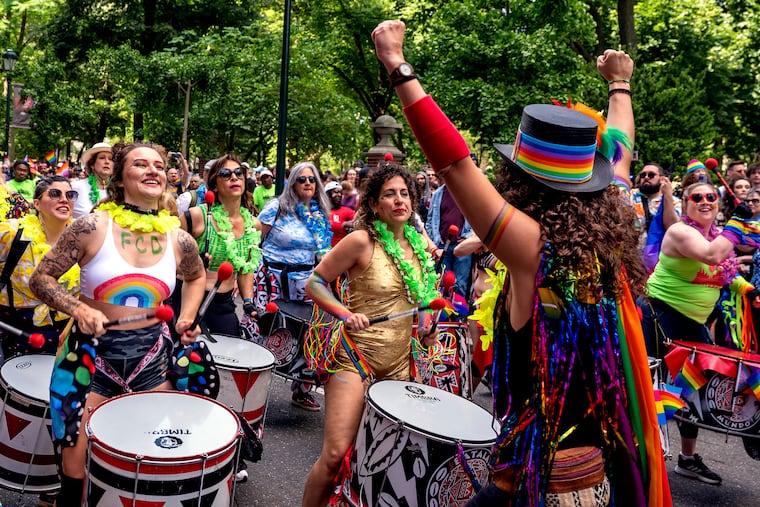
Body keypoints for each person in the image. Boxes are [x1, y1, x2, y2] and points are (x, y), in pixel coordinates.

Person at [372, 19, 670, 506]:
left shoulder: (532, 247)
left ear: (520, 180)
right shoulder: (608, 235)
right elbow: (619, 149)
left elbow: (453, 164)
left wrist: (398, 66)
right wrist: (620, 84)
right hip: (596, 473)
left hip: (536, 479)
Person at [28, 142, 206, 507]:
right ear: (120, 177)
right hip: (90, 359)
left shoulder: (178, 238)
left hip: (151, 362)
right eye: (141, 164)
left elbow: (196, 276)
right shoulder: (92, 226)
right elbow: (41, 278)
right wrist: (77, 308)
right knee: (74, 467)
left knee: (148, 454)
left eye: (158, 165)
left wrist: (186, 317)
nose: (153, 170)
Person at [301, 163, 439, 507]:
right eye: (389, 194)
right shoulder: (361, 241)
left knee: (384, 461)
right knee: (335, 454)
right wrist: (346, 313)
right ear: (375, 204)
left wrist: (428, 324)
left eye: (404, 194)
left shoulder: (420, 246)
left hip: (399, 366)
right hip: (355, 361)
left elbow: (423, 301)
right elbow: (315, 282)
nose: (398, 201)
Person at [640, 181, 760, 486]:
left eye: (711, 197)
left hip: (693, 323)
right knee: (648, 387)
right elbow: (711, 257)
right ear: (686, 202)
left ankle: (687, 460)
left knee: (694, 389)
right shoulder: (680, 232)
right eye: (698, 197)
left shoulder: (717, 236)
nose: (706, 201)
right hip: (659, 316)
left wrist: (748, 289)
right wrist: (737, 223)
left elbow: (725, 274)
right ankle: (635, 456)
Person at [253, 162, 332, 410]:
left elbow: (323, 251)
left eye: (312, 180)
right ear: (292, 183)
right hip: (273, 279)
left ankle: (301, 389)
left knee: (308, 334)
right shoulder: (276, 208)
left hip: (306, 282)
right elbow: (256, 240)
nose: (307, 183)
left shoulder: (318, 214)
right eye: (302, 179)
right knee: (265, 330)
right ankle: (254, 389)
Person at [0, 176, 80, 361]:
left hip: (66, 333)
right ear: (36, 203)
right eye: (54, 194)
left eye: (70, 194)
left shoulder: (85, 237)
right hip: (17, 329)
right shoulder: (12, 233)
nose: (64, 199)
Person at [180, 155, 261, 336]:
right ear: (214, 185)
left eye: (238, 173)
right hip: (188, 302)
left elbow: (245, 268)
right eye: (225, 174)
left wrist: (248, 301)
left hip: (223, 304)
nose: (234, 178)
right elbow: (169, 261)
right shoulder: (196, 217)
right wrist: (193, 265)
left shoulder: (253, 226)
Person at [71, 142, 112, 217]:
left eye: (111, 159)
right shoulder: (76, 187)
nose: (107, 162)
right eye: (102, 158)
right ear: (92, 164)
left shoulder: (119, 191)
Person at [325, 180, 355, 246]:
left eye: (340, 192)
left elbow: (358, 226)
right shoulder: (321, 211)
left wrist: (350, 225)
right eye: (335, 192)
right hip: (324, 250)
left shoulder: (348, 211)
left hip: (342, 249)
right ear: (327, 195)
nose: (339, 195)